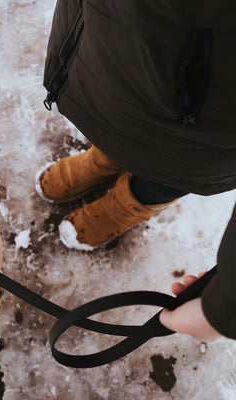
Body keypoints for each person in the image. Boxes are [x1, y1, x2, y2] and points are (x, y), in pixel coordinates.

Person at [38, 1, 236, 343]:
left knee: (173, 168)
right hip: (108, 48)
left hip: (213, 115)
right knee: (116, 124)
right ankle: (103, 162)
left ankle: (127, 204)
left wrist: (227, 307)